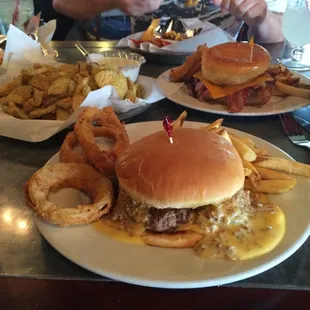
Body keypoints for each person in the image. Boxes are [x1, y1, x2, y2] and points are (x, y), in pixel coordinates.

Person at [53, 0, 287, 43]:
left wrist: (261, 18)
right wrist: (113, 1)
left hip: (215, 81)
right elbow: (61, 3)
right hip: (117, 72)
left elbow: (276, 36)